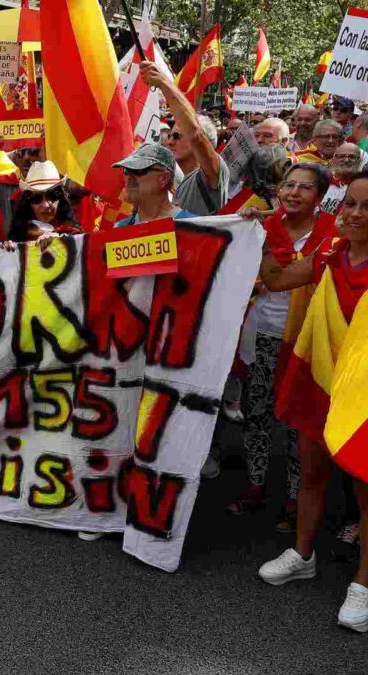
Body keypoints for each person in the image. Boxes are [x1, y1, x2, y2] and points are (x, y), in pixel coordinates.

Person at [256, 160, 368, 633]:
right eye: (351, 204)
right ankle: (303, 554)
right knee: (313, 474)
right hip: (322, 382)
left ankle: (365, 584)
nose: (357, 213)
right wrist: (259, 237)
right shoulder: (330, 253)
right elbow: (279, 280)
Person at [229, 164, 337, 532]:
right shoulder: (258, 226)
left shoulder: (332, 235)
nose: (293, 192)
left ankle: (295, 496)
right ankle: (256, 482)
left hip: (305, 341)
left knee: (298, 422)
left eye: (304, 188)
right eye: (288, 185)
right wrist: (243, 226)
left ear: (320, 197)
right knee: (256, 412)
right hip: (260, 334)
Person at [139, 62, 228, 216]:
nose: (169, 141)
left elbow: (195, 134)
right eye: (170, 135)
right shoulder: (175, 180)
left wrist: (164, 83)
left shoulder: (213, 175)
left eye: (177, 136)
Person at [111, 143, 196, 226]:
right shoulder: (119, 229)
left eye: (137, 171)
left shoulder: (192, 227)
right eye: (126, 171)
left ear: (164, 178)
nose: (129, 177)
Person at [3, 160, 81, 245]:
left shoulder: (76, 235)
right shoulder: (18, 237)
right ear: (27, 202)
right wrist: (6, 252)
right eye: (36, 198)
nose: (46, 205)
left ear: (61, 199)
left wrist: (60, 241)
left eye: (53, 196)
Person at [320, 143, 362, 214]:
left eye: (352, 157)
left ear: (359, 161)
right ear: (333, 160)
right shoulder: (321, 181)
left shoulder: (364, 186)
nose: (346, 160)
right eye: (341, 156)